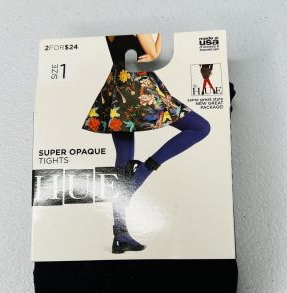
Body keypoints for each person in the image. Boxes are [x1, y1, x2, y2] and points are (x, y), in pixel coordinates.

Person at [83, 34, 210, 253]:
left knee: (123, 163)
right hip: (138, 87)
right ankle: (146, 168)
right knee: (200, 127)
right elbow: (155, 55)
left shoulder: (111, 29)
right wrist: (162, 32)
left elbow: (145, 53)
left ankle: (120, 235)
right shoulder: (134, 24)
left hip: (118, 85)